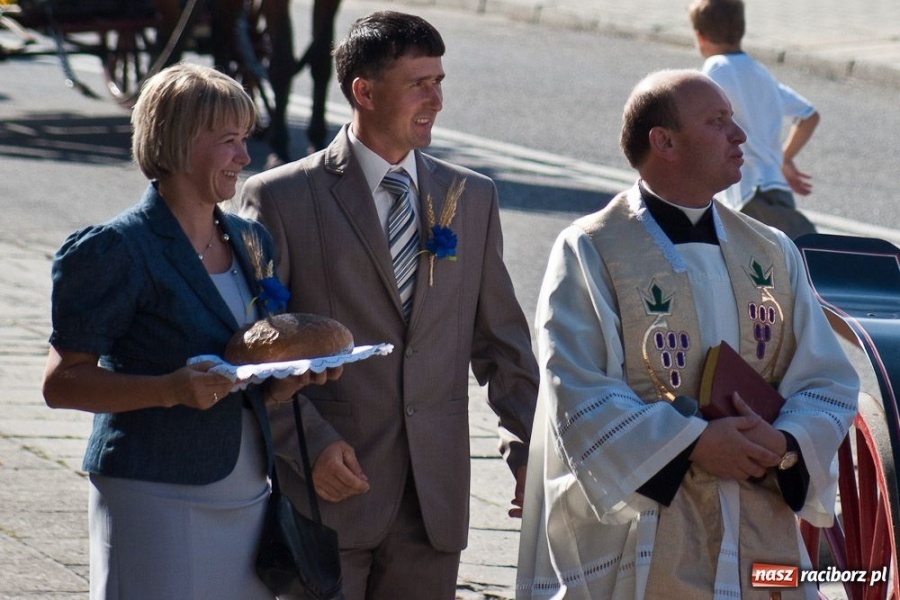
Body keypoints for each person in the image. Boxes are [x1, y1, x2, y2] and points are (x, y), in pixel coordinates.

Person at [516, 69, 858, 599]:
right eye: (718, 122)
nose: (740, 135)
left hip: (757, 515)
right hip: (645, 529)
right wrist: (693, 446)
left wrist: (787, 442)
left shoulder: (771, 250)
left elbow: (826, 380)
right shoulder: (591, 249)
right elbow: (575, 387)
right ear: (664, 141)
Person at [239, 11, 539, 599]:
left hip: (433, 500)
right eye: (419, 84)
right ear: (365, 91)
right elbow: (253, 347)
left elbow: (501, 342)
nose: (437, 99)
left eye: (440, 81)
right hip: (329, 491)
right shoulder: (282, 197)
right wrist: (312, 442)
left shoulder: (470, 197)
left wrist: (528, 448)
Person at [41, 62, 341, 599]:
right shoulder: (114, 249)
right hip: (152, 491)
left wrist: (289, 378)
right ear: (178, 142)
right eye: (229, 141)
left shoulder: (252, 241)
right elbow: (62, 383)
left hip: (246, 489)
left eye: (245, 139)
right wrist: (169, 389)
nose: (244, 157)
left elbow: (248, 365)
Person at [689, 0, 821, 240]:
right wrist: (784, 158)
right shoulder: (760, 72)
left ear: (700, 36)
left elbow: (696, 119)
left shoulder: (714, 70)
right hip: (776, 188)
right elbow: (809, 116)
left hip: (746, 191)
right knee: (786, 262)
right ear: (741, 29)